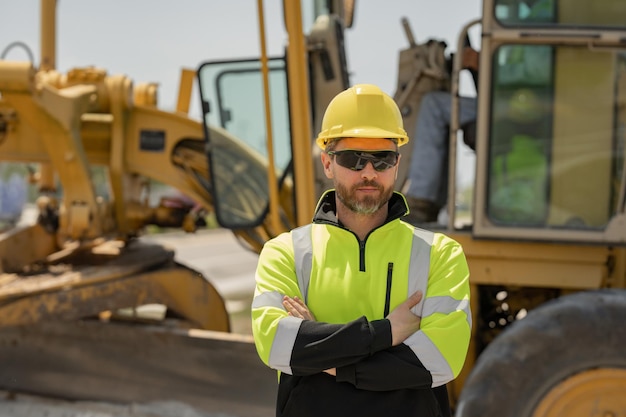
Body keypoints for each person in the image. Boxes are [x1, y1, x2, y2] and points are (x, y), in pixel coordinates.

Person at [251, 84, 471, 417]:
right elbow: (278, 346)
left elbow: (438, 360)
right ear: (327, 163)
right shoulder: (286, 252)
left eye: (382, 160)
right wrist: (386, 332)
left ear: (396, 165)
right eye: (353, 159)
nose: (368, 172)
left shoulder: (440, 254)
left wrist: (331, 363)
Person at [404, 47, 479, 224]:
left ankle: (422, 200)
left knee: (434, 105)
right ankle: (429, 200)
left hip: (514, 104)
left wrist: (481, 60)